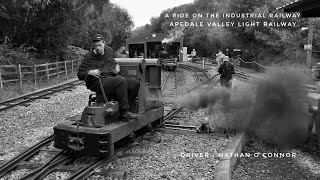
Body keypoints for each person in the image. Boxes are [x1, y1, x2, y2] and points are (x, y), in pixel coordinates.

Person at [77, 34, 140, 121]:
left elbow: (112, 62)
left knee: (134, 84)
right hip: (98, 81)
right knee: (120, 81)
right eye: (95, 46)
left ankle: (129, 109)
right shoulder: (88, 57)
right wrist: (89, 72)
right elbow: (80, 74)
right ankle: (124, 112)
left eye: (99, 45)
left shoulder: (109, 51)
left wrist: (116, 66)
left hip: (111, 77)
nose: (97, 48)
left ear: (104, 43)